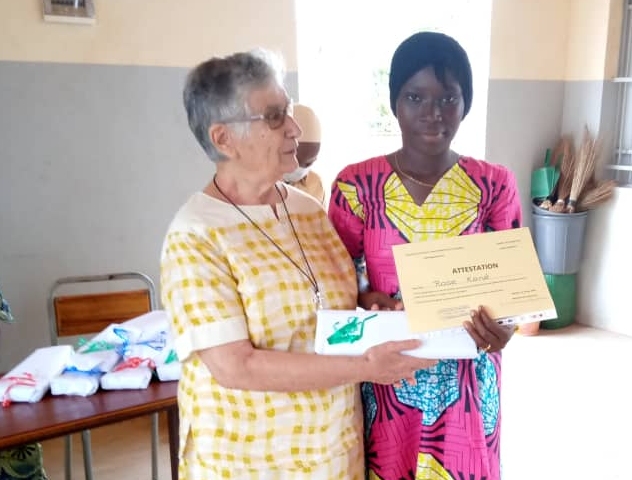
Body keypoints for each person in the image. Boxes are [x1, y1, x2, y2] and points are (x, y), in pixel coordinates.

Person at [159, 49, 436, 480]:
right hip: (251, 460)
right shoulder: (195, 235)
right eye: (273, 117)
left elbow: (320, 298)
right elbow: (236, 366)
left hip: (333, 452)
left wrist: (366, 304)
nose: (295, 127)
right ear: (223, 139)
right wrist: (367, 368)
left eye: (287, 110)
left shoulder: (306, 209)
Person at [327, 32, 522, 479]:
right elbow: (337, 279)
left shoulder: (493, 185)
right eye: (416, 96)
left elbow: (512, 289)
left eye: (449, 98)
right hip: (388, 375)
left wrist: (505, 326)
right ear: (395, 101)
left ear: (465, 104)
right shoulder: (357, 187)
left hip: (468, 380)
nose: (433, 113)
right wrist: (365, 297)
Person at [282, 104, 326, 204]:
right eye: (293, 158)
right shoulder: (254, 185)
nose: (297, 168)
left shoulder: (316, 184)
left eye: (308, 163)